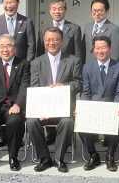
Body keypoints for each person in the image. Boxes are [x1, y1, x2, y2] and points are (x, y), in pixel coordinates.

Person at [27, 27, 82, 173]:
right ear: (44, 41)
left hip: (63, 108)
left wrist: (64, 86)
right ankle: (44, 158)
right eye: (48, 39)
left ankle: (59, 159)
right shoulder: (36, 63)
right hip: (44, 109)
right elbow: (35, 88)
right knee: (31, 121)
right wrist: (41, 109)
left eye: (55, 39)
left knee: (67, 121)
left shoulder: (73, 60)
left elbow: (79, 83)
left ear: (62, 41)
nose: (51, 43)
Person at [0, 0, 36, 147]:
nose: (9, 5)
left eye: (12, 2)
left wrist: (25, 67)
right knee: (1, 101)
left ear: (18, 3)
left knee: (16, 104)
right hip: (0, 71)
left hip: (20, 71)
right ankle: (2, 136)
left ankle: (17, 137)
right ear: (3, 3)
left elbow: (31, 46)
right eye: (6, 2)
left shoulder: (26, 22)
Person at [36, 0, 83, 145]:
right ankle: (51, 134)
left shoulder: (74, 28)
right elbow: (39, 53)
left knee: (66, 108)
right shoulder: (44, 27)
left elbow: (78, 54)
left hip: (67, 73)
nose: (57, 11)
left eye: (60, 8)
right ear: (50, 11)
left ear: (65, 10)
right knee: (49, 104)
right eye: (54, 8)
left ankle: (66, 136)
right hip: (48, 72)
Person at [0, 34, 30, 171]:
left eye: (8, 46)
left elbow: (24, 86)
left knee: (14, 121)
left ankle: (13, 157)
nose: (5, 49)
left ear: (14, 48)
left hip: (14, 106)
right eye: (1, 46)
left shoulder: (23, 64)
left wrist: (17, 104)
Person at [78, 36, 119, 171]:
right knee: (80, 121)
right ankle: (93, 155)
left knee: (118, 119)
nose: (100, 51)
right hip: (93, 108)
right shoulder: (87, 68)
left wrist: (117, 107)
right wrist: (83, 108)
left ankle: (110, 156)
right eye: (97, 48)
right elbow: (86, 92)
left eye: (103, 47)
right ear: (93, 50)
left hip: (111, 108)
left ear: (110, 49)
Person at [83, 0, 119, 64]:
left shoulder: (114, 29)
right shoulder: (87, 27)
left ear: (107, 11)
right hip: (88, 67)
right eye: (94, 10)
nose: (97, 13)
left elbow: (116, 55)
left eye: (100, 10)